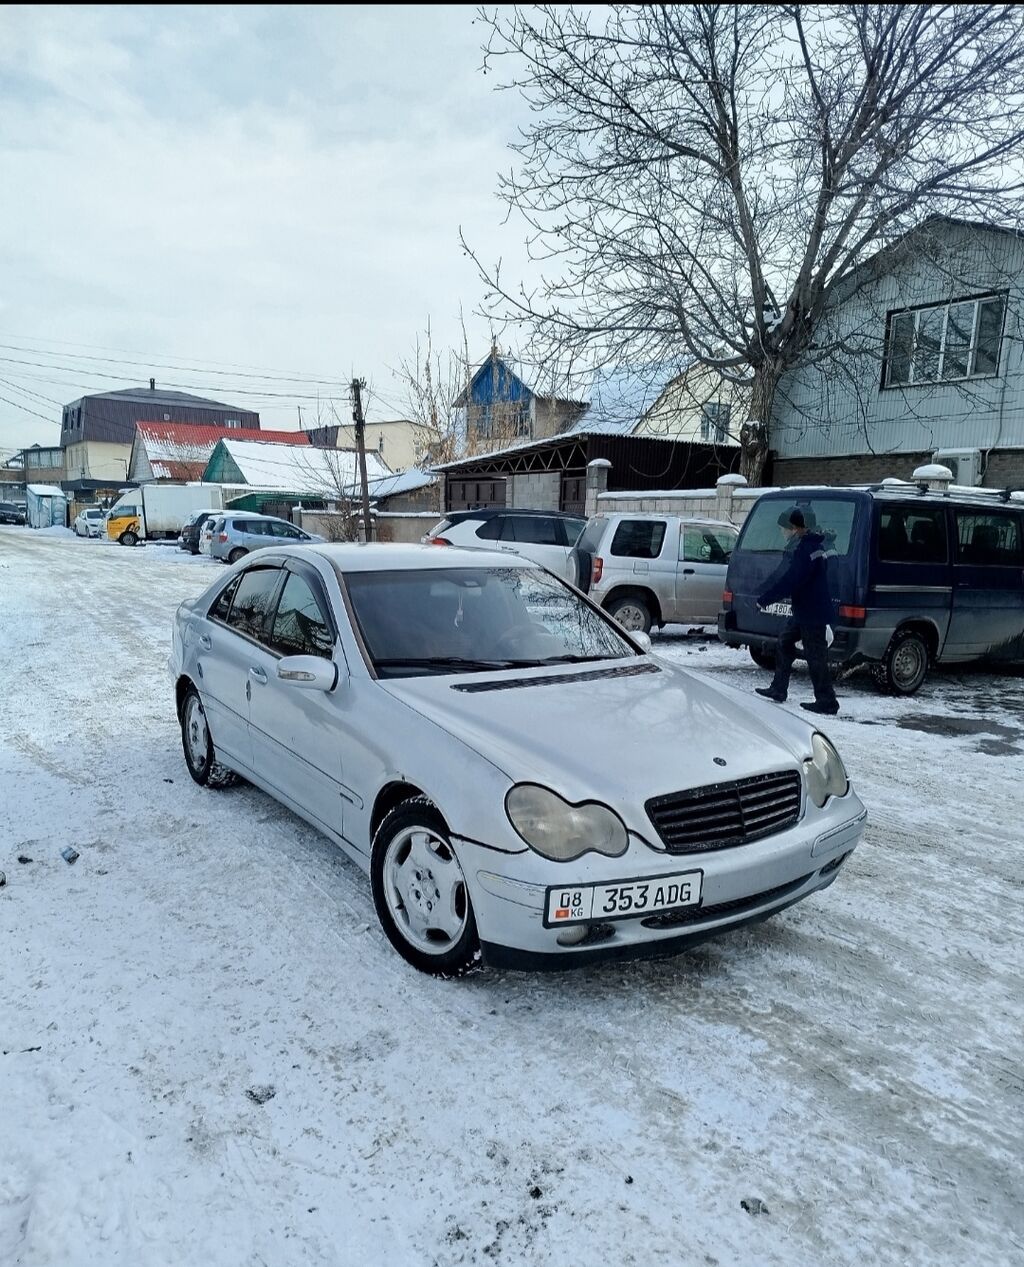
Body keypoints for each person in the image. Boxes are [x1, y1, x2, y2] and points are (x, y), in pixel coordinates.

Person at [755, 507, 839, 715]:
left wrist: (765, 599)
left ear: (794, 528)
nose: (783, 532)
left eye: (784, 528)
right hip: (806, 610)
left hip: (812, 612)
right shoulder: (810, 545)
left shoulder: (806, 549)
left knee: (816, 656)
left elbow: (792, 580)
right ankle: (778, 689)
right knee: (784, 642)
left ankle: (827, 701)